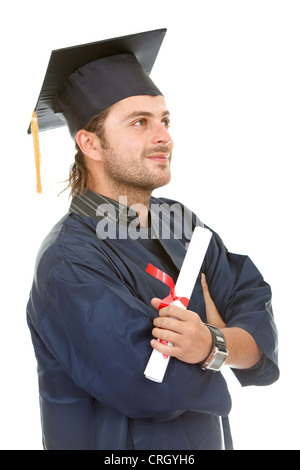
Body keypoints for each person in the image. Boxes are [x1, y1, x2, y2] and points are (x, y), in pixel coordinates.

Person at [26, 29, 279, 450]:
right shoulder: (69, 261)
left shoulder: (181, 224)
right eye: (140, 123)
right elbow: (150, 384)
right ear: (90, 143)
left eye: (164, 120)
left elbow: (256, 317)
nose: (163, 137)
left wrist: (208, 343)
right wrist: (223, 344)